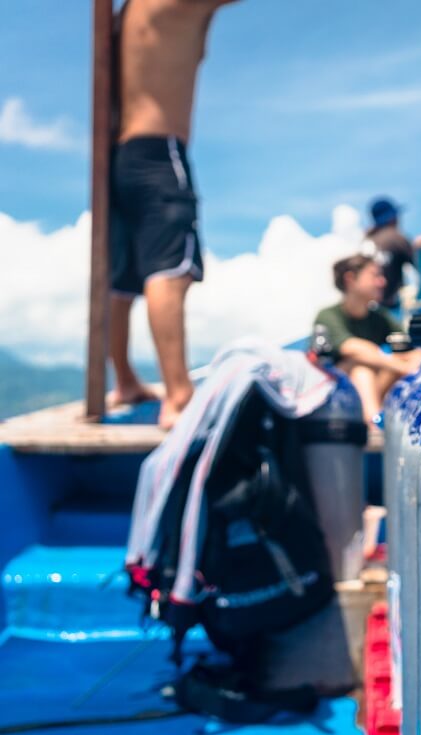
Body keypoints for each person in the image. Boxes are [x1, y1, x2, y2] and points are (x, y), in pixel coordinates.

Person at [108, 0, 240, 429]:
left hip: (120, 157)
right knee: (171, 270)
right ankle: (179, 394)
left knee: (122, 279)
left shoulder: (126, 14)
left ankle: (125, 380)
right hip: (160, 151)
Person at [313, 255, 421, 424]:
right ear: (350, 279)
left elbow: (409, 348)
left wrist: (416, 359)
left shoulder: (380, 317)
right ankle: (374, 427)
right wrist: (402, 365)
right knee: (361, 368)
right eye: (375, 275)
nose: (382, 282)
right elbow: (351, 348)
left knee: (408, 359)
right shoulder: (327, 315)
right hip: (335, 397)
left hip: (375, 388)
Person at [363, 196, 413, 312]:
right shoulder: (396, 238)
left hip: (368, 309)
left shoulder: (366, 240)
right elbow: (419, 265)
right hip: (391, 307)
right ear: (391, 218)